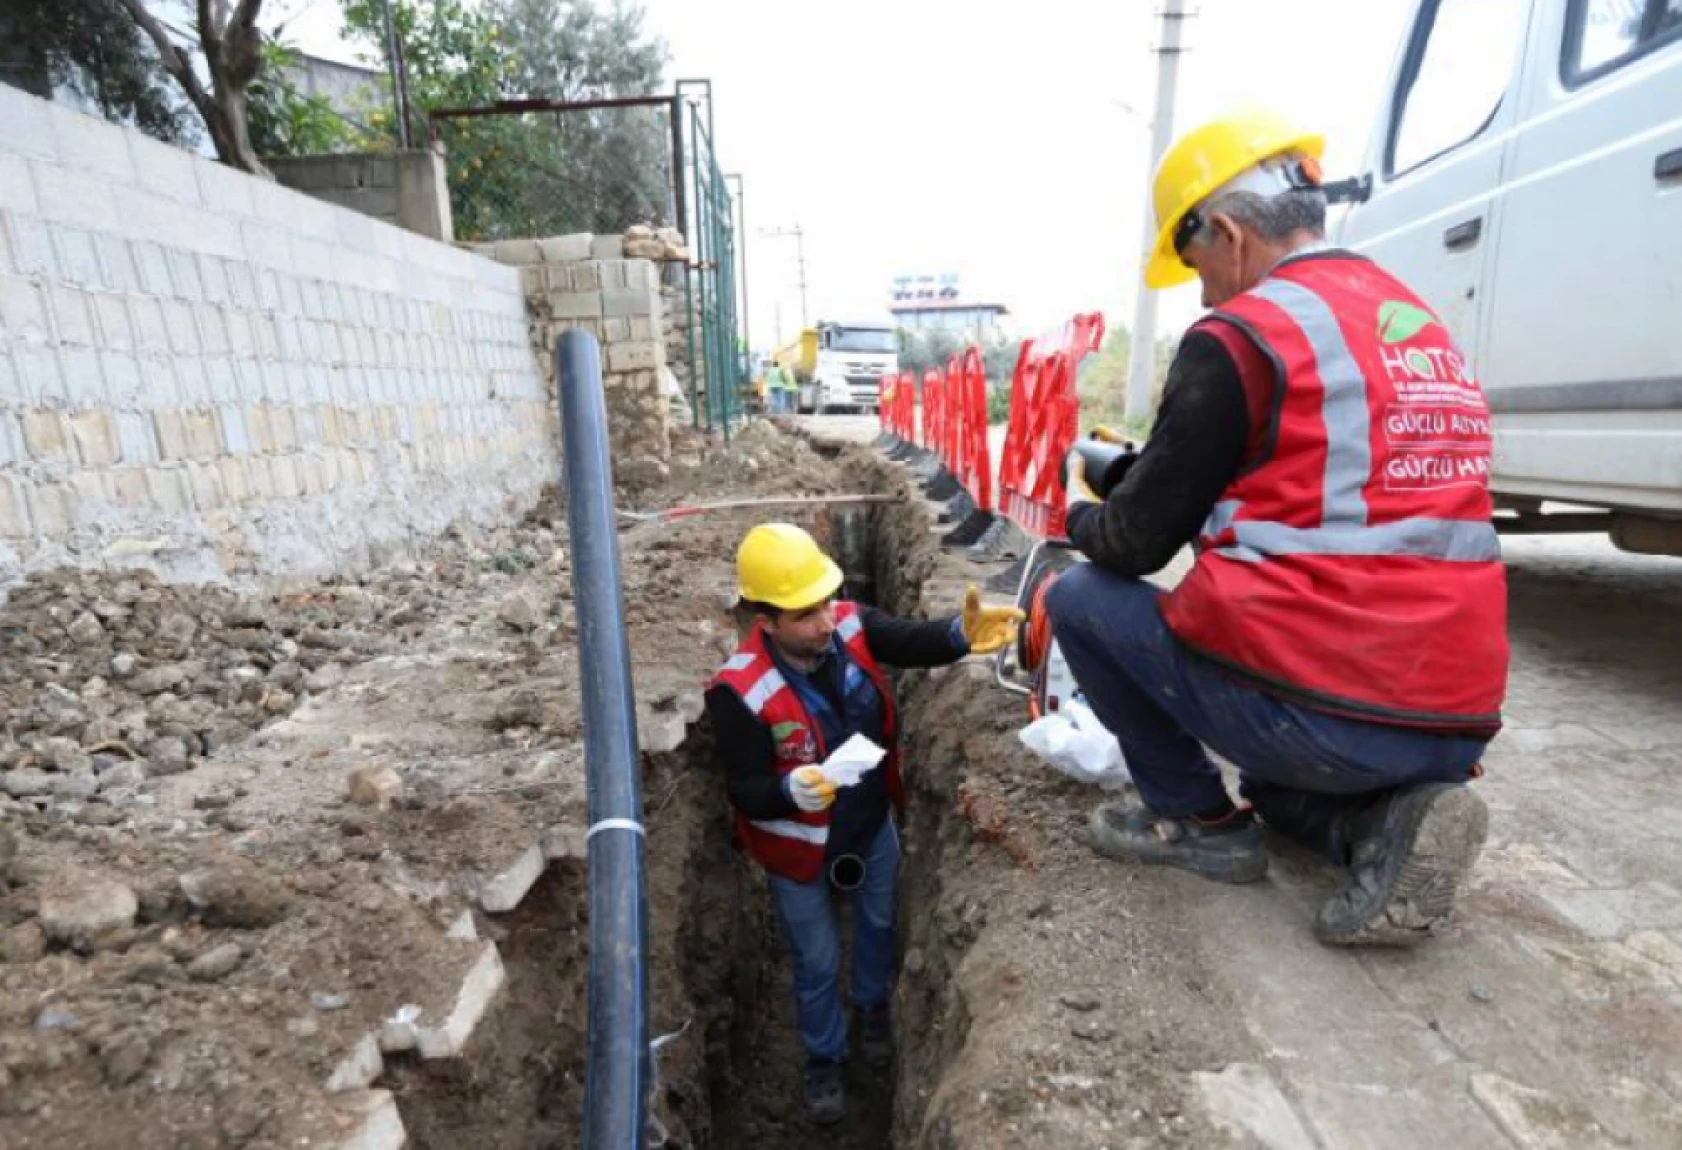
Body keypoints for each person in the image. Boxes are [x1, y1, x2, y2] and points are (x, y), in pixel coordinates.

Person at [1046, 110, 1509, 947]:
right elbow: (1304, 483)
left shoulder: (1243, 334)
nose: (1203, 292)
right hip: (1451, 719)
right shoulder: (1411, 321)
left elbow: (1134, 545)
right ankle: (1383, 827)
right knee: (1271, 773)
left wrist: (1074, 512)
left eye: (1198, 267)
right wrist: (1143, 472)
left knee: (1079, 596)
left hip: (1321, 716)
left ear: (1227, 232)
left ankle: (1197, 823)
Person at [705, 523, 1021, 1123]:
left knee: (877, 925)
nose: (825, 620)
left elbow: (913, 639)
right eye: (805, 613)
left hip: (871, 825)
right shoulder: (739, 691)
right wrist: (788, 789)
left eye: (825, 601)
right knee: (818, 960)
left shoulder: (850, 625)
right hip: (797, 851)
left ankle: (873, 1009)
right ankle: (823, 1058)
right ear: (765, 620)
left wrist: (960, 634)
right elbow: (744, 789)